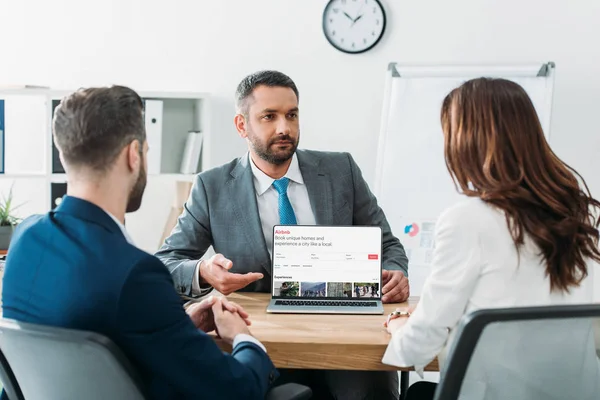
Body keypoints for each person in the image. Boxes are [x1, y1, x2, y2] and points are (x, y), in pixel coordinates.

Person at [1, 86, 278, 400]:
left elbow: (89, 335)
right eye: (147, 151)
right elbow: (235, 390)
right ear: (133, 154)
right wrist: (243, 337)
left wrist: (177, 324)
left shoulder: (25, 238)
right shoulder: (135, 273)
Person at [156, 70, 408, 399]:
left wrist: (396, 272)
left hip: (345, 337)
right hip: (260, 340)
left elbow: (388, 244)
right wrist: (203, 271)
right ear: (242, 125)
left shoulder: (340, 170)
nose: (284, 128)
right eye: (269, 117)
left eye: (292, 115)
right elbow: (166, 262)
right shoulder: (212, 186)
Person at [382, 78, 600, 400]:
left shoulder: (467, 221)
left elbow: (419, 343)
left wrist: (399, 325)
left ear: (467, 141)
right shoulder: (579, 213)